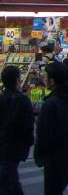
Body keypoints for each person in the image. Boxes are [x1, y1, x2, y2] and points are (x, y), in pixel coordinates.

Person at [35, 62, 68, 195]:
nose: (44, 79)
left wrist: (39, 156)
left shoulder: (51, 103)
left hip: (54, 157)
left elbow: (43, 133)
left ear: (52, 80)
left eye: (46, 76)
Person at [0, 65, 35, 194]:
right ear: (17, 81)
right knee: (8, 180)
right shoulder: (23, 100)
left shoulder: (2, 98)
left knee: (10, 178)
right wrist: (29, 141)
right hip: (15, 146)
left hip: (4, 145)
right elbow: (28, 124)